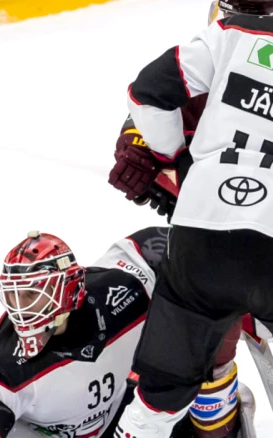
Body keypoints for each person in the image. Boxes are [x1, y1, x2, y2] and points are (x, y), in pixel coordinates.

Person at [0, 228, 252, 438]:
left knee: (210, 340)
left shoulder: (124, 289)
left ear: (68, 290)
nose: (20, 307)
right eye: (13, 294)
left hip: (126, 411)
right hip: (56, 434)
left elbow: (153, 246)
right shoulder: (1, 365)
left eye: (31, 293)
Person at [108, 1, 273, 436]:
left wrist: (177, 164)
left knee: (161, 395)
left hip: (202, 239)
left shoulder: (226, 39)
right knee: (214, 365)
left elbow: (147, 94)